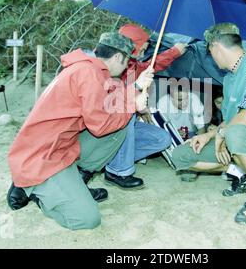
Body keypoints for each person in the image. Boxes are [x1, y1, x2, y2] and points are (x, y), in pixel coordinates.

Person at [6, 32, 154, 230]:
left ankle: (76, 182)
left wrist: (136, 86)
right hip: (42, 157)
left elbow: (111, 100)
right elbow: (101, 126)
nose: (127, 67)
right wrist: (133, 106)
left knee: (121, 126)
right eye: (127, 62)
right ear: (118, 57)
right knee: (87, 219)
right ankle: (36, 190)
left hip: (59, 147)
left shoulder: (88, 68)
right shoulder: (89, 74)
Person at [171, 23, 246, 224]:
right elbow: (229, 120)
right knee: (181, 155)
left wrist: (221, 135)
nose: (211, 56)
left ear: (216, 46)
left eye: (210, 50)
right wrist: (208, 135)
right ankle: (242, 173)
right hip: (239, 144)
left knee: (235, 133)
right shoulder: (228, 80)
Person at [77, 24, 187, 189]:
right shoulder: (99, 70)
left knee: (162, 139)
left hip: (116, 127)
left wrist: (175, 52)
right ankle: (119, 171)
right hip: (97, 130)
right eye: (141, 49)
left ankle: (110, 161)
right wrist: (137, 104)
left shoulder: (131, 66)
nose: (143, 54)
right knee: (128, 112)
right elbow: (110, 107)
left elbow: (151, 66)